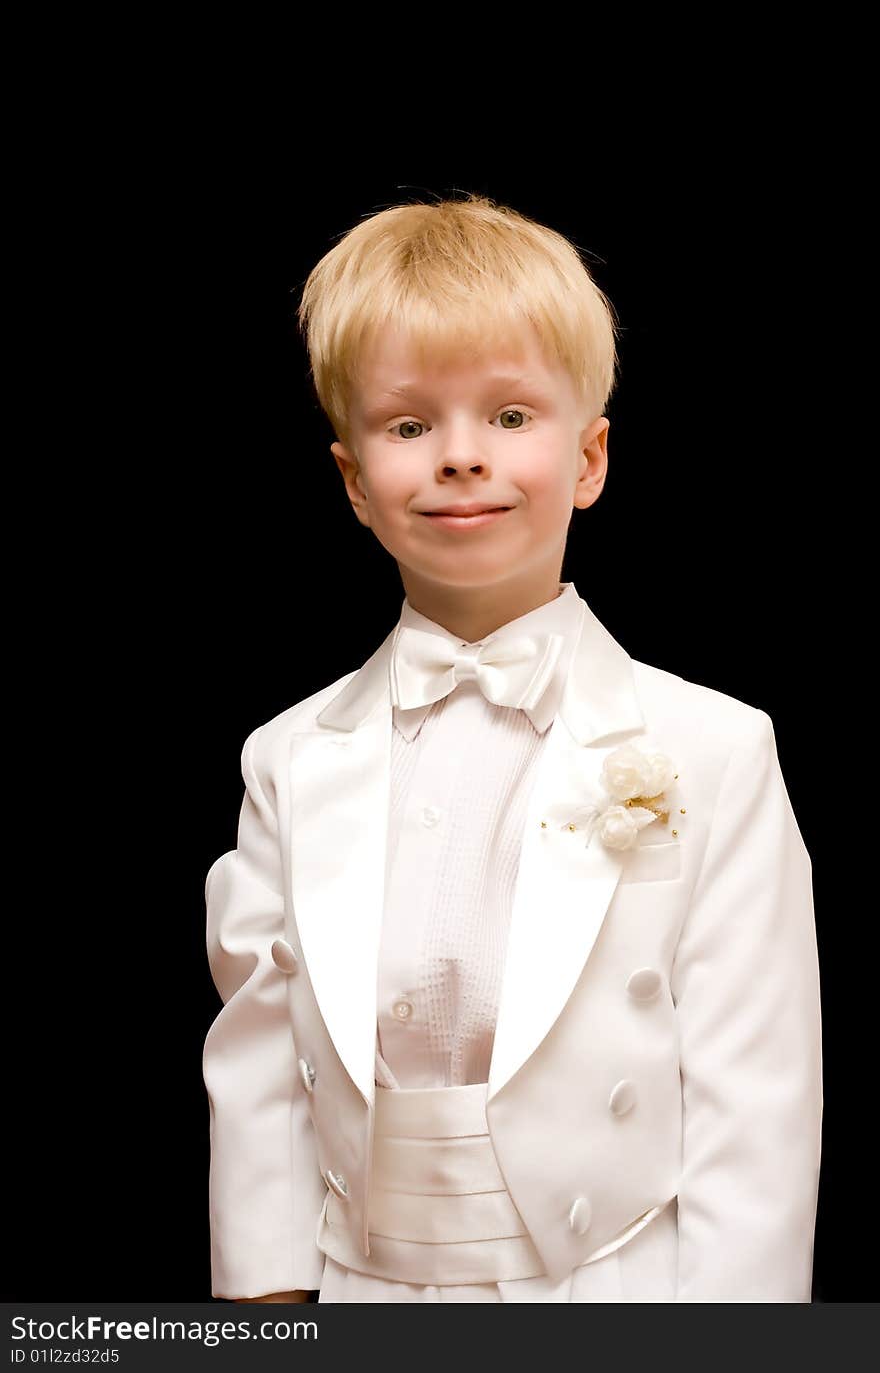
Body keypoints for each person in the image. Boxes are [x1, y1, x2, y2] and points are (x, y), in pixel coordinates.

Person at [202, 193, 823, 1303]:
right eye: (407, 426)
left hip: (615, 1286)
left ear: (588, 458)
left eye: (508, 416)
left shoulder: (714, 746)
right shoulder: (287, 757)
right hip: (357, 1290)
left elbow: (756, 1098)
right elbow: (259, 1063)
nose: (457, 457)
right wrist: (264, 1311)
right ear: (351, 481)